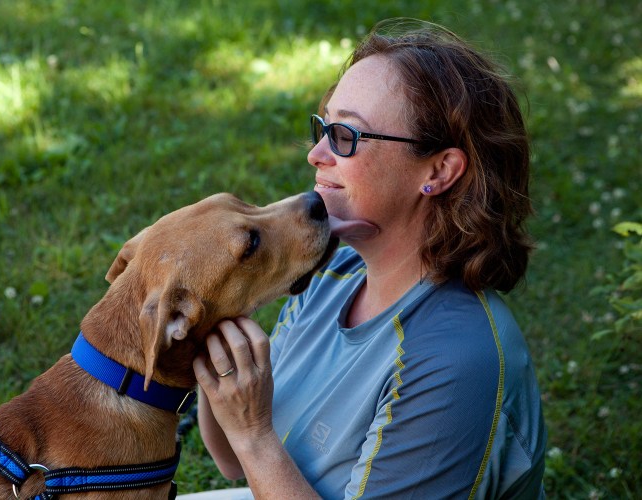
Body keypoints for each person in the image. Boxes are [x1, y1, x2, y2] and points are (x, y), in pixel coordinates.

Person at [192, 18, 546, 499]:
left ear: (439, 170)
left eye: (346, 136)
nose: (317, 154)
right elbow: (233, 461)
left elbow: (249, 446)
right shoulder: (334, 273)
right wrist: (216, 337)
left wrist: (255, 436)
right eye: (323, 128)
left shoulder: (453, 359)